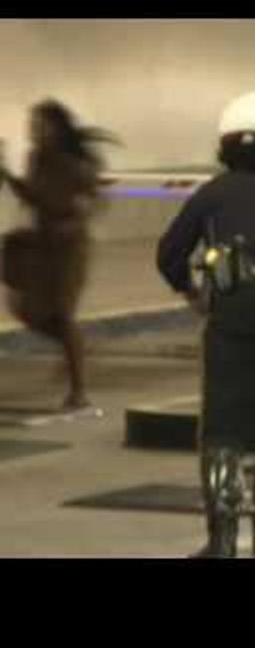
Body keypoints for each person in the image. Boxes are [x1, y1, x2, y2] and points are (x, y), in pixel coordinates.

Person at [158, 92, 255, 558]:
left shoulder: (213, 193)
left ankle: (222, 540)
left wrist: (191, 293)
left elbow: (170, 253)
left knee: (223, 432)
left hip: (232, 321)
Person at [0, 100, 113, 411]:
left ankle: (79, 390)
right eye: (32, 125)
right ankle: (75, 346)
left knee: (62, 312)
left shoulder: (75, 164)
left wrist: (77, 218)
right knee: (29, 309)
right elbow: (32, 195)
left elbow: (95, 200)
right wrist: (3, 169)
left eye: (40, 125)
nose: (33, 131)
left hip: (70, 248)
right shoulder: (37, 159)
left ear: (57, 129)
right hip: (42, 242)